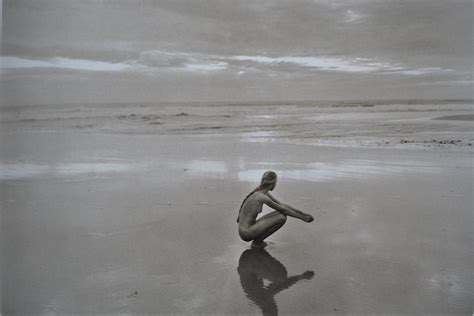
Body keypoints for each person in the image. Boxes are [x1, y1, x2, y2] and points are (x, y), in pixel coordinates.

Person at [237, 171, 314, 247]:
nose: (276, 185)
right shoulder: (261, 197)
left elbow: (282, 205)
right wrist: (302, 217)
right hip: (246, 233)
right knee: (282, 218)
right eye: (276, 183)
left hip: (247, 229)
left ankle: (257, 242)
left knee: (280, 214)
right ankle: (257, 242)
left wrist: (303, 213)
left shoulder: (263, 193)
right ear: (272, 184)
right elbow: (284, 210)